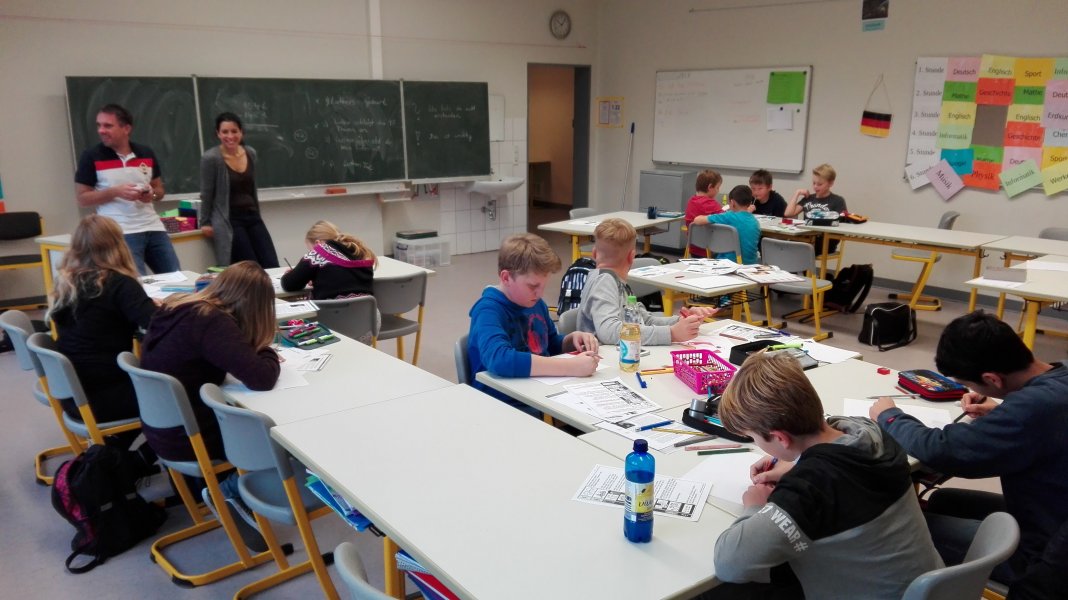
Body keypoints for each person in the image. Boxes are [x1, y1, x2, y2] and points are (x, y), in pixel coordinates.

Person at [702, 352, 942, 600]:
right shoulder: (871, 433)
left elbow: (729, 564)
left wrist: (754, 506)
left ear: (780, 438)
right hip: (932, 589)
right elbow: (838, 475)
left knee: (717, 592)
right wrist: (798, 462)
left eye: (753, 437)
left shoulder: (809, 490)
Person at [870, 311, 1068, 594]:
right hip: (1052, 513)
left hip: (1043, 558)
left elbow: (942, 450)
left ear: (992, 379)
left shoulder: (1033, 409)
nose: (970, 390)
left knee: (902, 532)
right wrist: (1003, 410)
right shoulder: (1058, 377)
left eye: (970, 383)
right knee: (943, 499)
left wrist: (889, 416)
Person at [140, 261, 280, 551]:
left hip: (161, 431)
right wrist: (267, 350)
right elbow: (262, 379)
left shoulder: (180, 305)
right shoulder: (212, 322)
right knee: (277, 434)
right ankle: (229, 490)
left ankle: (218, 489)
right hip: (190, 439)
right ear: (256, 306)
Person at [467, 233, 600, 416]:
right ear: (506, 278)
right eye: (532, 286)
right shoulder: (488, 310)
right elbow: (499, 359)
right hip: (501, 407)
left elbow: (549, 345)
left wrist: (570, 340)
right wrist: (570, 367)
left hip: (538, 396)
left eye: (543, 286)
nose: (540, 293)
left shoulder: (535, 303)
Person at [48, 214, 158, 427]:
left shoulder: (67, 284)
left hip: (74, 396)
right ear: (118, 245)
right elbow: (159, 325)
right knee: (186, 392)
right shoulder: (120, 284)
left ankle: (119, 444)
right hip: (106, 398)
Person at [74, 103, 180, 275]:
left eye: (108, 126)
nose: (101, 130)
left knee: (176, 277)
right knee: (136, 283)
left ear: (126, 128)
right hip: (120, 231)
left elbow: (159, 189)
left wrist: (151, 194)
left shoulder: (145, 153)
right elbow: (82, 198)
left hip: (153, 227)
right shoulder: (91, 156)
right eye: (99, 125)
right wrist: (115, 192)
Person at [577, 218, 718, 345]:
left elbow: (645, 320)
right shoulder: (604, 282)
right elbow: (609, 331)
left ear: (594, 254)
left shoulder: (617, 282)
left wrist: (681, 322)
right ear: (632, 257)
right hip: (605, 359)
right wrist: (671, 333)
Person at [199, 112, 279, 268]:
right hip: (230, 219)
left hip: (252, 215)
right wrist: (205, 222)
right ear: (218, 134)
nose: (230, 136)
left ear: (241, 132)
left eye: (234, 131)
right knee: (250, 266)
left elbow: (251, 189)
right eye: (225, 132)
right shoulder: (211, 158)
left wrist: (257, 213)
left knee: (271, 263)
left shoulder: (250, 153)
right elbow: (206, 193)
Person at [280, 220, 376, 300]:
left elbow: (289, 285)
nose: (310, 252)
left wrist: (290, 274)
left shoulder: (319, 252)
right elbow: (343, 280)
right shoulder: (361, 253)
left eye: (310, 250)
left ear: (318, 244)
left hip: (329, 316)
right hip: (366, 316)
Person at [784, 163, 847, 255]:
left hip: (824, 242)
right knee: (786, 245)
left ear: (830, 183)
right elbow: (788, 213)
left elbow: (841, 224)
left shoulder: (837, 200)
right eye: (814, 183)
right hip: (807, 238)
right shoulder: (809, 198)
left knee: (797, 249)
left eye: (820, 184)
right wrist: (797, 193)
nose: (815, 187)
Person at [691, 185, 761, 264]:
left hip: (728, 262)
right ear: (749, 203)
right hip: (750, 264)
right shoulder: (755, 222)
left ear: (732, 202)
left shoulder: (728, 216)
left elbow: (697, 220)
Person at [684, 169, 724, 258]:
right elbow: (726, 218)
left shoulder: (691, 201)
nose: (718, 191)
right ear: (710, 187)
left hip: (693, 248)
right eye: (717, 188)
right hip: (710, 250)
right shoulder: (711, 204)